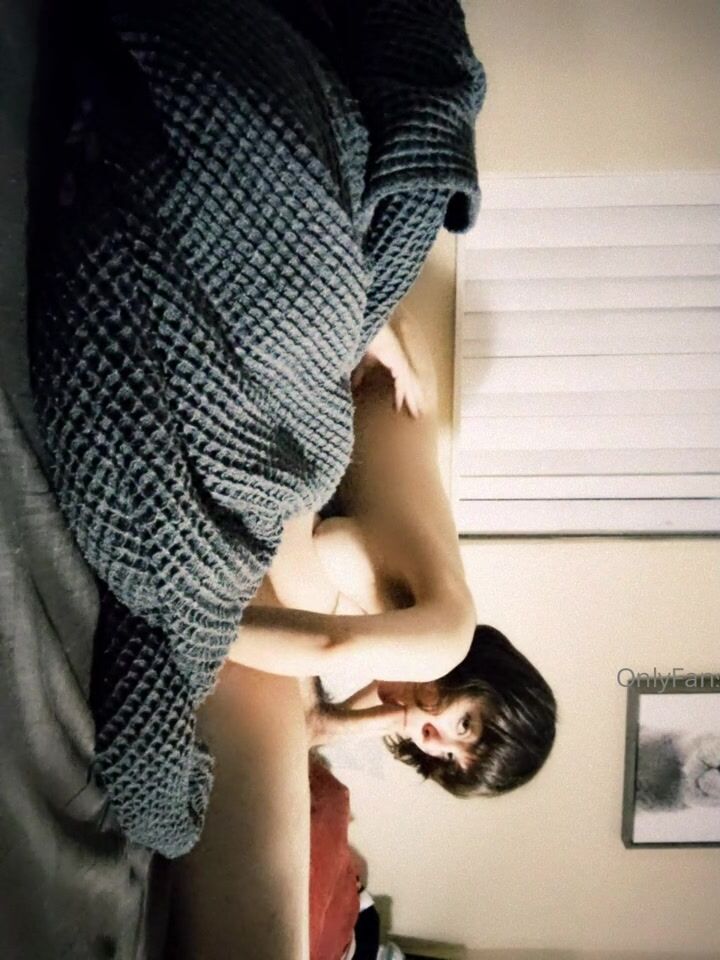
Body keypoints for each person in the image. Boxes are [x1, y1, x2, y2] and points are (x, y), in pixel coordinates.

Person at [167, 305, 556, 960]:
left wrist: (372, 720)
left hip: (331, 397)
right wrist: (194, 623)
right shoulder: (446, 636)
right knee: (291, 669)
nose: (433, 737)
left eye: (445, 760)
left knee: (293, 694)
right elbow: (329, 646)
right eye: (465, 724)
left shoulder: (414, 649)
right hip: (365, 363)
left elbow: (317, 725)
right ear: (489, 679)